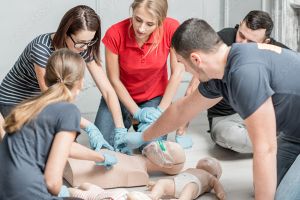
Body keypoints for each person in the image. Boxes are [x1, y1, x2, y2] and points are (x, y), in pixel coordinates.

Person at [116, 18, 300, 199]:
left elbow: (266, 148)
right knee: (265, 187)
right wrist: (143, 136)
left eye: (182, 62)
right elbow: (181, 110)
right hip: (294, 135)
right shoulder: (221, 73)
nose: (184, 70)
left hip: (292, 133)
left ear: (195, 59)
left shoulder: (245, 72)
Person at [0, 5, 127, 151]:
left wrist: (120, 128)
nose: (85, 48)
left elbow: (107, 90)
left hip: (43, 102)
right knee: (40, 148)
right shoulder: (41, 49)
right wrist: (89, 126)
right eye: (81, 42)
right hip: (15, 102)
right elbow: (52, 101)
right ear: (65, 33)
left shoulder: (81, 46)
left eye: (89, 42)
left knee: (67, 140)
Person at [0, 49, 117, 200]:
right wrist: (64, 192)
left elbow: (64, 147)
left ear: (47, 78)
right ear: (80, 82)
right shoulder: (68, 111)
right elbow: (52, 182)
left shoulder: (30, 105)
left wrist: (100, 157)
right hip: (27, 193)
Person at [177, 10, 289, 153]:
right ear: (240, 24)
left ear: (265, 42)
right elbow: (194, 86)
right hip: (226, 118)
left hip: (262, 114)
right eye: (241, 35)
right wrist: (181, 131)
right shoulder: (223, 39)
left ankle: (279, 142)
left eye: (251, 42)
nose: (242, 44)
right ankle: (283, 144)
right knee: (227, 135)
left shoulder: (273, 49)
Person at [95, 0, 191, 150]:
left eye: (149, 24)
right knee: (105, 143)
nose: (141, 28)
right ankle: (132, 120)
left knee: (151, 147)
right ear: (132, 11)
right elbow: (114, 80)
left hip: (154, 98)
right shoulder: (115, 33)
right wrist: (137, 112)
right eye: (138, 19)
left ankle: (138, 124)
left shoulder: (171, 28)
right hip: (120, 97)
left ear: (160, 22)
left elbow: (177, 72)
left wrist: (161, 111)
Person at [64, 141, 186, 189]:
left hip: (71, 170)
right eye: (166, 141)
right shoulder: (132, 158)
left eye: (167, 147)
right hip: (68, 160)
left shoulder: (140, 175)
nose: (160, 143)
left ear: (167, 164)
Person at [127, 157, 225, 200]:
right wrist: (157, 185)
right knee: (163, 182)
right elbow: (178, 177)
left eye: (212, 161)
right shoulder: (191, 169)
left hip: (193, 185)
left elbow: (217, 185)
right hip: (176, 183)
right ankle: (153, 196)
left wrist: (220, 192)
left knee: (190, 186)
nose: (207, 159)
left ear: (216, 175)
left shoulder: (211, 177)